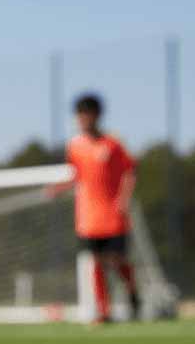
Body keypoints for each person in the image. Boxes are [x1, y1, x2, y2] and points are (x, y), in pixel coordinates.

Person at [47, 93, 140, 323]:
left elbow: (130, 171)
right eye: (79, 115)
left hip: (113, 214)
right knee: (96, 262)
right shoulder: (75, 146)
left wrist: (123, 199)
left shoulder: (113, 143)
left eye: (86, 114)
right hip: (88, 217)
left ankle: (133, 294)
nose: (82, 119)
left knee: (116, 260)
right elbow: (77, 175)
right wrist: (60, 188)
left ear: (96, 115)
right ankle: (104, 311)